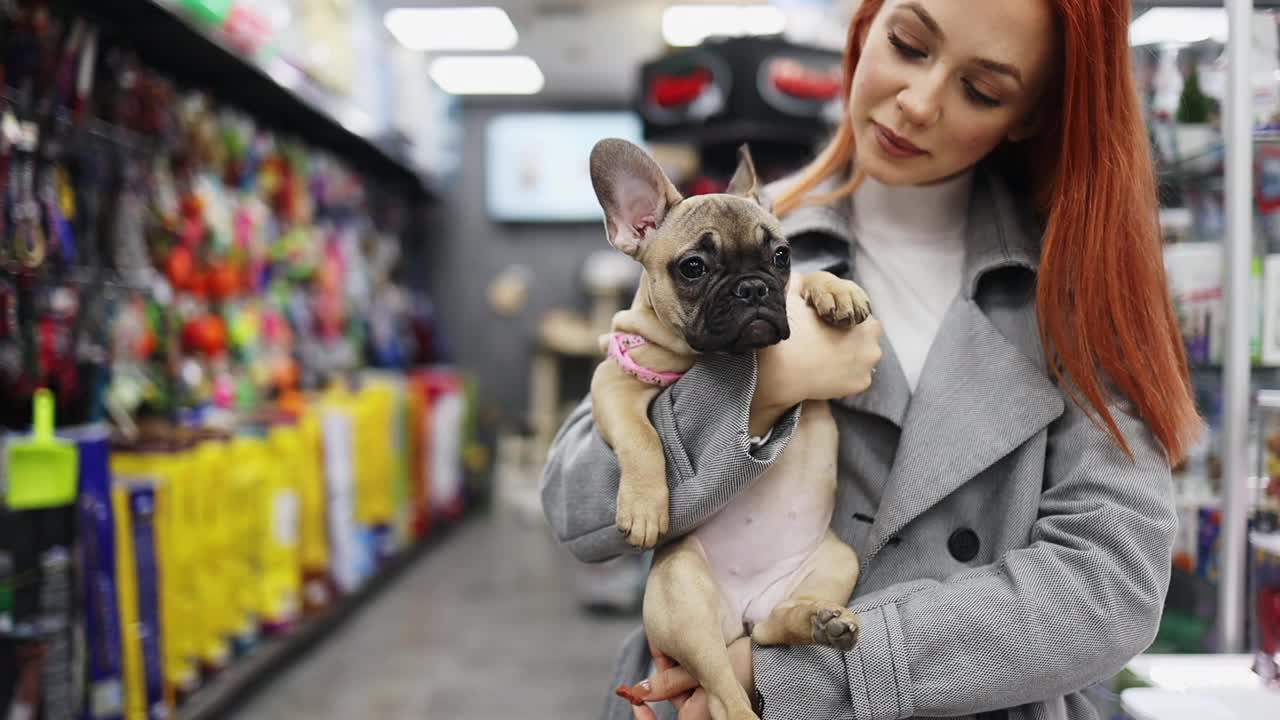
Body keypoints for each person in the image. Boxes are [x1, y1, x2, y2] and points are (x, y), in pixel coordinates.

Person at [541, 0, 1202, 718]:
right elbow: (577, 507)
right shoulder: (743, 232)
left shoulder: (1078, 291)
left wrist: (791, 678)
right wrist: (760, 390)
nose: (917, 104)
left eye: (980, 90)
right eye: (909, 44)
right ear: (866, 25)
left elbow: (1111, 584)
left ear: (1032, 113)